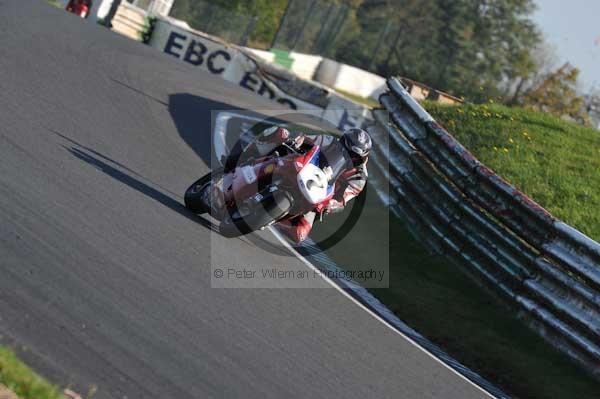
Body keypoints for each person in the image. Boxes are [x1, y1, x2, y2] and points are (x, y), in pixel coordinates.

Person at [223, 126, 371, 243]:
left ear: (361, 158)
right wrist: (298, 140)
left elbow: (343, 199)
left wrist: (331, 205)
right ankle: (239, 159)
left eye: (353, 155)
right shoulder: (330, 141)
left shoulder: (359, 177)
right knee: (279, 133)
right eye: (345, 146)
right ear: (342, 140)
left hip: (318, 194)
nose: (347, 154)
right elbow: (308, 139)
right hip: (302, 167)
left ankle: (271, 216)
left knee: (299, 234)